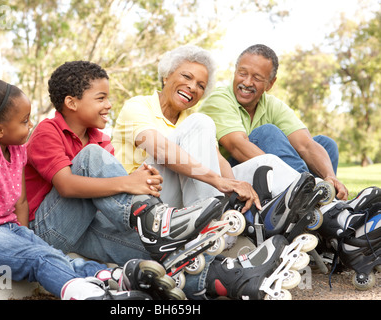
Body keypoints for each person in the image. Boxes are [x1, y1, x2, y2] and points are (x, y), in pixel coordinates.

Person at [0, 76, 173, 300]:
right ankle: (86, 295)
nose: (30, 125)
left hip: (9, 229)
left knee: (50, 253)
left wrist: (26, 236)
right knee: (40, 257)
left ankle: (111, 277)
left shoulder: (16, 148)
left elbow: (21, 202)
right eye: (24, 121)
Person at [111, 45, 313, 300]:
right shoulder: (138, 106)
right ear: (166, 76)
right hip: (146, 212)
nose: (193, 87)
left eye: (200, 85)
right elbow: (160, 149)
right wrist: (218, 180)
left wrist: (238, 187)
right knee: (203, 124)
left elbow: (220, 163)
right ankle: (210, 231)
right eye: (186, 77)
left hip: (181, 207)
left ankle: (320, 211)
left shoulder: (189, 119)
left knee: (263, 163)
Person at [24, 60, 229, 292]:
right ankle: (156, 220)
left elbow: (107, 197)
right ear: (71, 102)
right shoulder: (48, 131)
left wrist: (143, 182)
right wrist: (129, 182)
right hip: (47, 230)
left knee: (157, 250)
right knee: (92, 156)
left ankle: (223, 278)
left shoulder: (100, 138)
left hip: (86, 226)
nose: (109, 105)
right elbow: (66, 186)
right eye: (101, 98)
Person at [198, 44, 349, 201]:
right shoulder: (219, 99)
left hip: (264, 173)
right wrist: (300, 179)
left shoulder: (272, 105)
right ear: (235, 72)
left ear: (270, 84)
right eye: (242, 73)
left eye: (257, 78)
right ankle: (307, 197)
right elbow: (237, 146)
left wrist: (330, 176)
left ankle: (325, 197)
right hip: (226, 178)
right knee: (267, 133)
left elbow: (305, 144)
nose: (247, 82)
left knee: (324, 144)